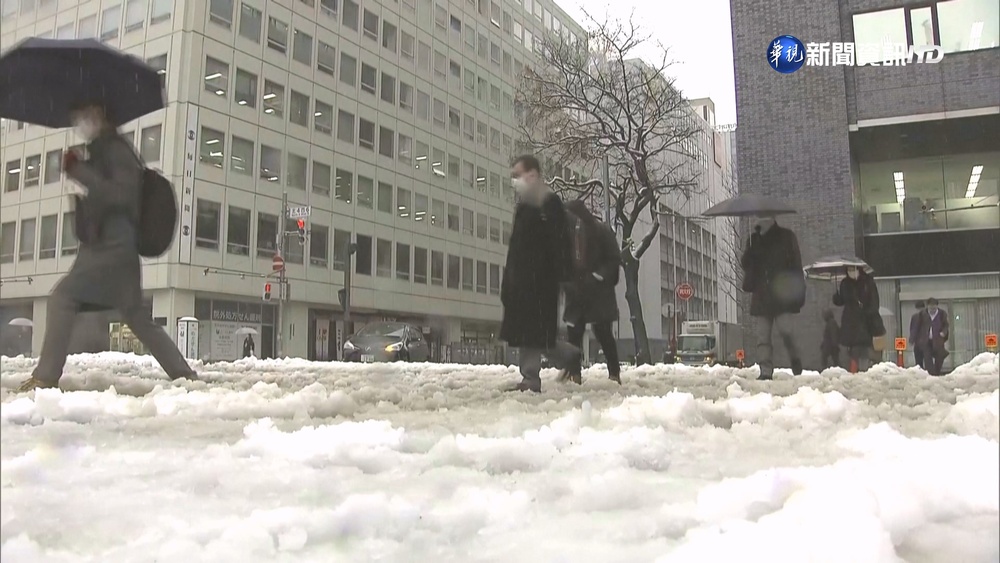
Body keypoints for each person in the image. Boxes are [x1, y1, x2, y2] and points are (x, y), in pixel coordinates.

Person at [16, 102, 197, 392]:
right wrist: (81, 174)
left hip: (110, 249)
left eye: (85, 116)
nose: (80, 122)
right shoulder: (106, 150)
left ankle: (46, 376)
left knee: (63, 298)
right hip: (116, 249)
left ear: (100, 117)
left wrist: (80, 171)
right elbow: (106, 196)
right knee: (136, 315)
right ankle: (183, 373)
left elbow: (121, 197)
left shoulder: (116, 150)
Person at [499, 155, 579, 392]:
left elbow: (560, 242)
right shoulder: (525, 205)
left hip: (540, 280)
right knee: (529, 331)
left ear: (532, 174)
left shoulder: (548, 203)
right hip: (523, 279)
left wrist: (563, 276)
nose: (516, 180)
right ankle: (543, 369)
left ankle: (537, 374)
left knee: (533, 332)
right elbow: (516, 247)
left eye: (519, 174)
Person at [557, 200, 622, 385]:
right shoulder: (565, 237)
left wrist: (598, 276)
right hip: (576, 292)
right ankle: (574, 373)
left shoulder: (601, 231)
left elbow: (613, 260)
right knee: (574, 333)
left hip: (598, 291)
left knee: (603, 333)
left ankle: (614, 372)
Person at [740, 216, 805, 379]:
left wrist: (798, 291)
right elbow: (745, 263)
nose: (757, 221)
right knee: (763, 336)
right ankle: (765, 370)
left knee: (786, 331)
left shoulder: (786, 237)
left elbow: (796, 265)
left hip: (782, 294)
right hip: (761, 295)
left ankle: (795, 357)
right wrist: (752, 246)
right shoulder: (754, 239)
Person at [833, 266, 883, 373]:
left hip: (866, 320)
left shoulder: (867, 282)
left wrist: (868, 312)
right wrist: (836, 297)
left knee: (864, 346)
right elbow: (842, 300)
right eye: (849, 270)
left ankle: (866, 369)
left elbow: (874, 301)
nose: (851, 272)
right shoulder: (845, 283)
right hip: (850, 321)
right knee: (853, 347)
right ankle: (855, 370)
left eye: (853, 269)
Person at [914, 297, 949, 375]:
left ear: (937, 306)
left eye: (934, 308)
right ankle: (931, 374)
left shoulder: (942, 314)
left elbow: (945, 325)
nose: (932, 310)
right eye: (930, 308)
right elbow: (917, 326)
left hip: (938, 340)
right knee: (927, 358)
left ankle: (936, 372)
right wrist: (916, 338)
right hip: (926, 340)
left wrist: (944, 332)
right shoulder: (922, 314)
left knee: (940, 357)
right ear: (927, 306)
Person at [908, 300, 926, 368]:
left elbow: (913, 329)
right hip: (923, 342)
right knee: (924, 361)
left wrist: (911, 340)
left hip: (919, 342)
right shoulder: (927, 316)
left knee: (919, 361)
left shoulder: (915, 317)